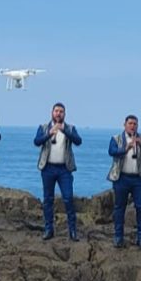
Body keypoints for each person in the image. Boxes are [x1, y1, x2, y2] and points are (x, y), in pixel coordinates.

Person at [34, 102, 82, 241]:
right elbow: (37, 142)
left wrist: (64, 130)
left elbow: (78, 141)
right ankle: (49, 229)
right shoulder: (43, 127)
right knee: (48, 199)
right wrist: (49, 133)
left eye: (61, 111)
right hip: (48, 168)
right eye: (56, 111)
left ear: (64, 114)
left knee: (68, 198)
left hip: (64, 169)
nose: (58, 113)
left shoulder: (70, 128)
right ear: (52, 113)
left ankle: (72, 231)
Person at [107, 115, 141, 249]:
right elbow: (111, 151)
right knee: (119, 208)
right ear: (124, 125)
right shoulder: (116, 139)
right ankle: (118, 237)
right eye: (130, 123)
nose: (132, 126)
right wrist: (125, 148)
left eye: (135, 124)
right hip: (121, 178)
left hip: (139, 179)